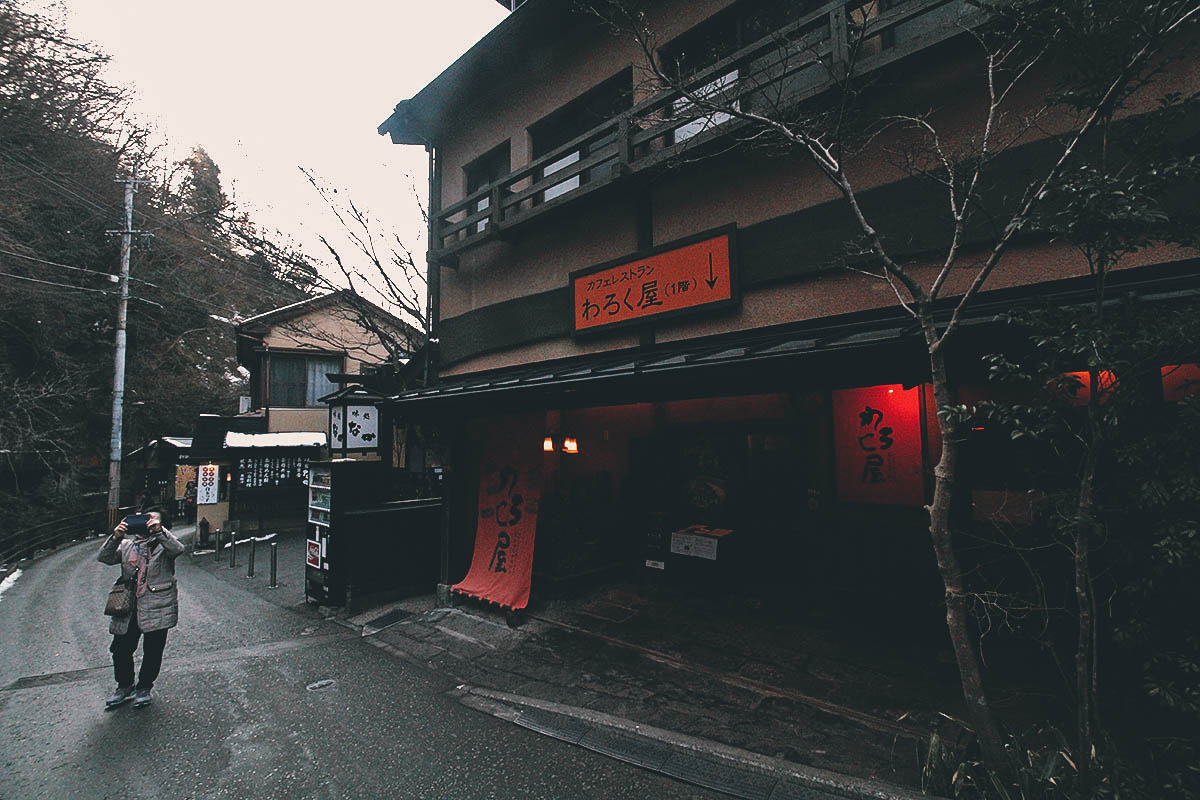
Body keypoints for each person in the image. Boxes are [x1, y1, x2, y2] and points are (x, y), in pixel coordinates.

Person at [97, 507, 185, 708]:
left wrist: (159, 532)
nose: (149, 523)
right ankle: (125, 685)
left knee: (153, 650)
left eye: (154, 519)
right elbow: (104, 557)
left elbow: (178, 549)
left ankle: (145, 687)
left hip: (157, 604)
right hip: (129, 605)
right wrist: (116, 536)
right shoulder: (128, 545)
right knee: (120, 649)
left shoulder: (165, 544)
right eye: (146, 519)